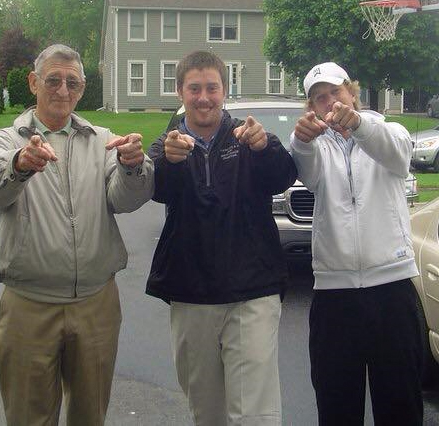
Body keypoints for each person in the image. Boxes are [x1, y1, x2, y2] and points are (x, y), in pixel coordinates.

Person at [0, 44, 154, 426]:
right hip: (29, 305)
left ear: (83, 88)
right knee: (28, 415)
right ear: (34, 83)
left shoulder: (101, 138)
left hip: (96, 304)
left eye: (72, 82)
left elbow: (124, 200)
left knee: (90, 415)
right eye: (53, 80)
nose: (63, 90)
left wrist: (132, 166)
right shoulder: (6, 140)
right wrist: (19, 165)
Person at [145, 50, 298, 426]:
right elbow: (156, 189)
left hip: (253, 291)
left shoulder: (249, 137)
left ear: (224, 91)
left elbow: (283, 176)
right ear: (180, 91)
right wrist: (170, 160)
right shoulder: (167, 145)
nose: (203, 97)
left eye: (212, 88)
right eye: (194, 88)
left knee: (255, 412)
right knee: (206, 408)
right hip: (192, 293)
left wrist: (266, 148)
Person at [291, 62, 423, 426]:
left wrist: (358, 124)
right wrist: (300, 139)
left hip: (392, 289)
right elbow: (307, 169)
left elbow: (398, 155)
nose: (330, 101)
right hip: (335, 295)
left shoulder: (386, 131)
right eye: (320, 98)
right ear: (311, 108)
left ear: (353, 93)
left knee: (400, 403)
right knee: (336, 405)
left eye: (336, 92)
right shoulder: (315, 145)